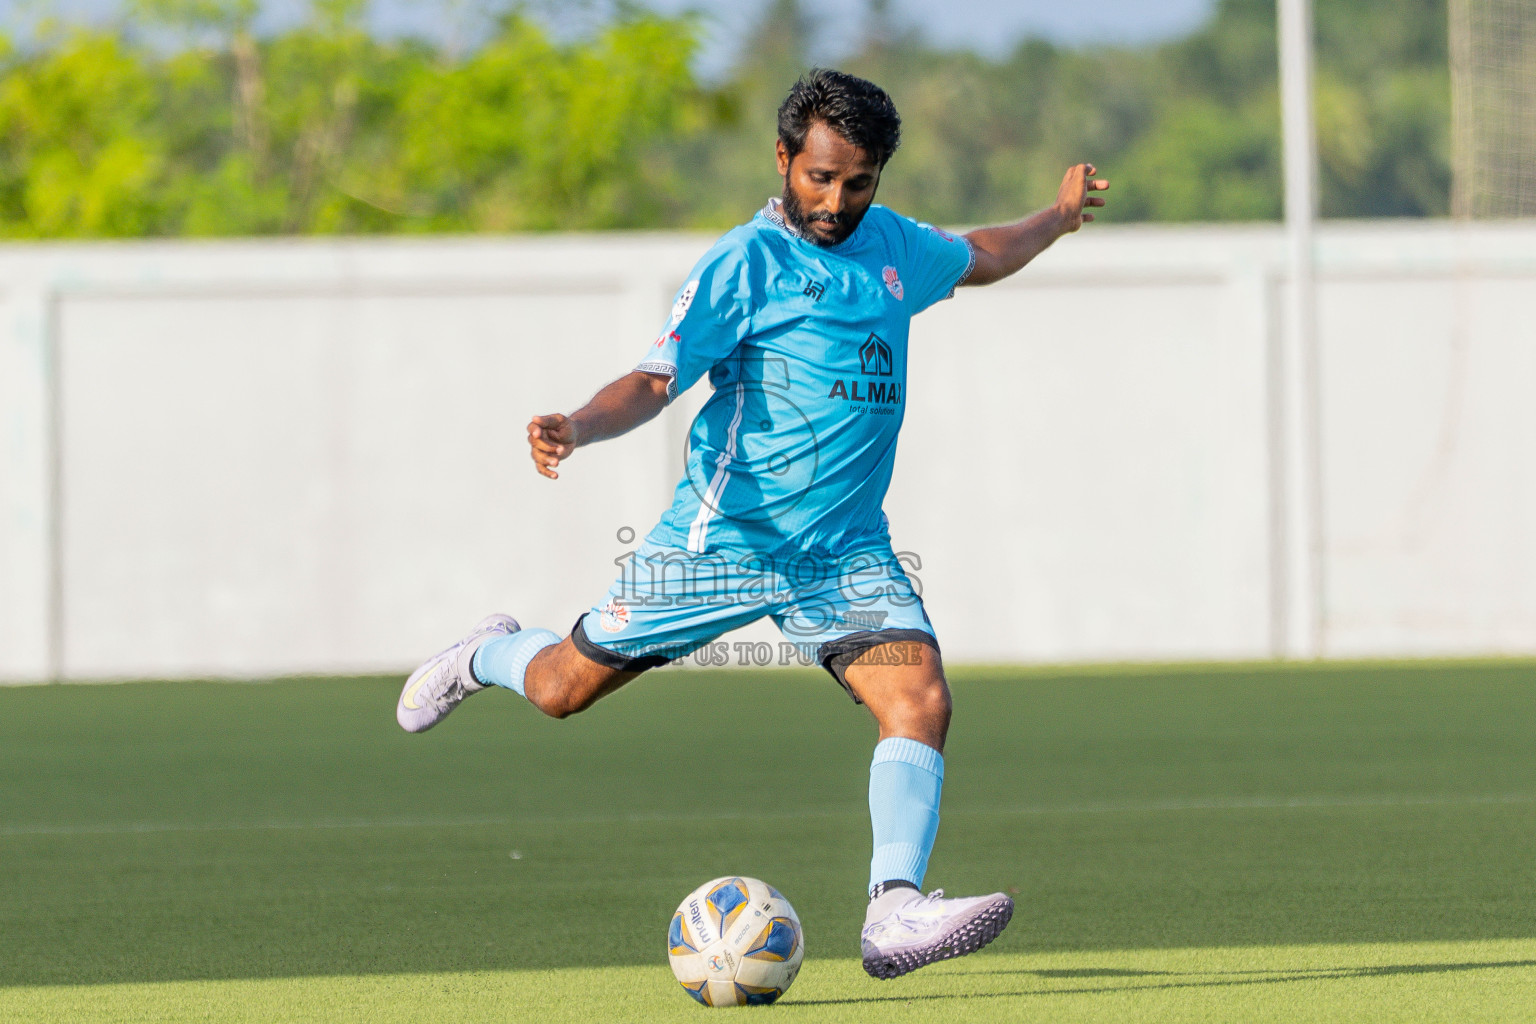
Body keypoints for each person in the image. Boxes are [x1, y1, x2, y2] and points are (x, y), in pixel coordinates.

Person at [397, 68, 1108, 981]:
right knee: (560, 689)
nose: (836, 201)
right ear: (784, 158)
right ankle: (485, 653)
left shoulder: (893, 246)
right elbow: (655, 381)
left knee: (920, 698)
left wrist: (1052, 221)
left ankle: (893, 909)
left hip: (844, 551)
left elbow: (979, 253)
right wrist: (576, 424)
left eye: (858, 182)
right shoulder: (745, 263)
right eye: (819, 178)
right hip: (721, 543)